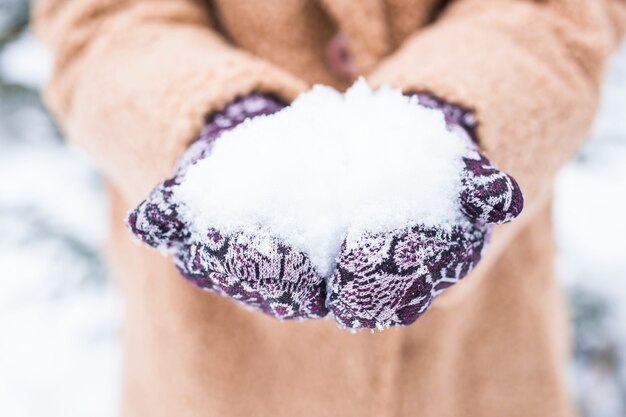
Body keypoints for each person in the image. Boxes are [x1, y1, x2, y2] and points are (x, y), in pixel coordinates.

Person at [33, 0, 626, 416]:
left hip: (480, 359)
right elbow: (99, 17)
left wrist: (448, 122)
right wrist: (212, 120)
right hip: (212, 367)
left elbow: (558, 9)